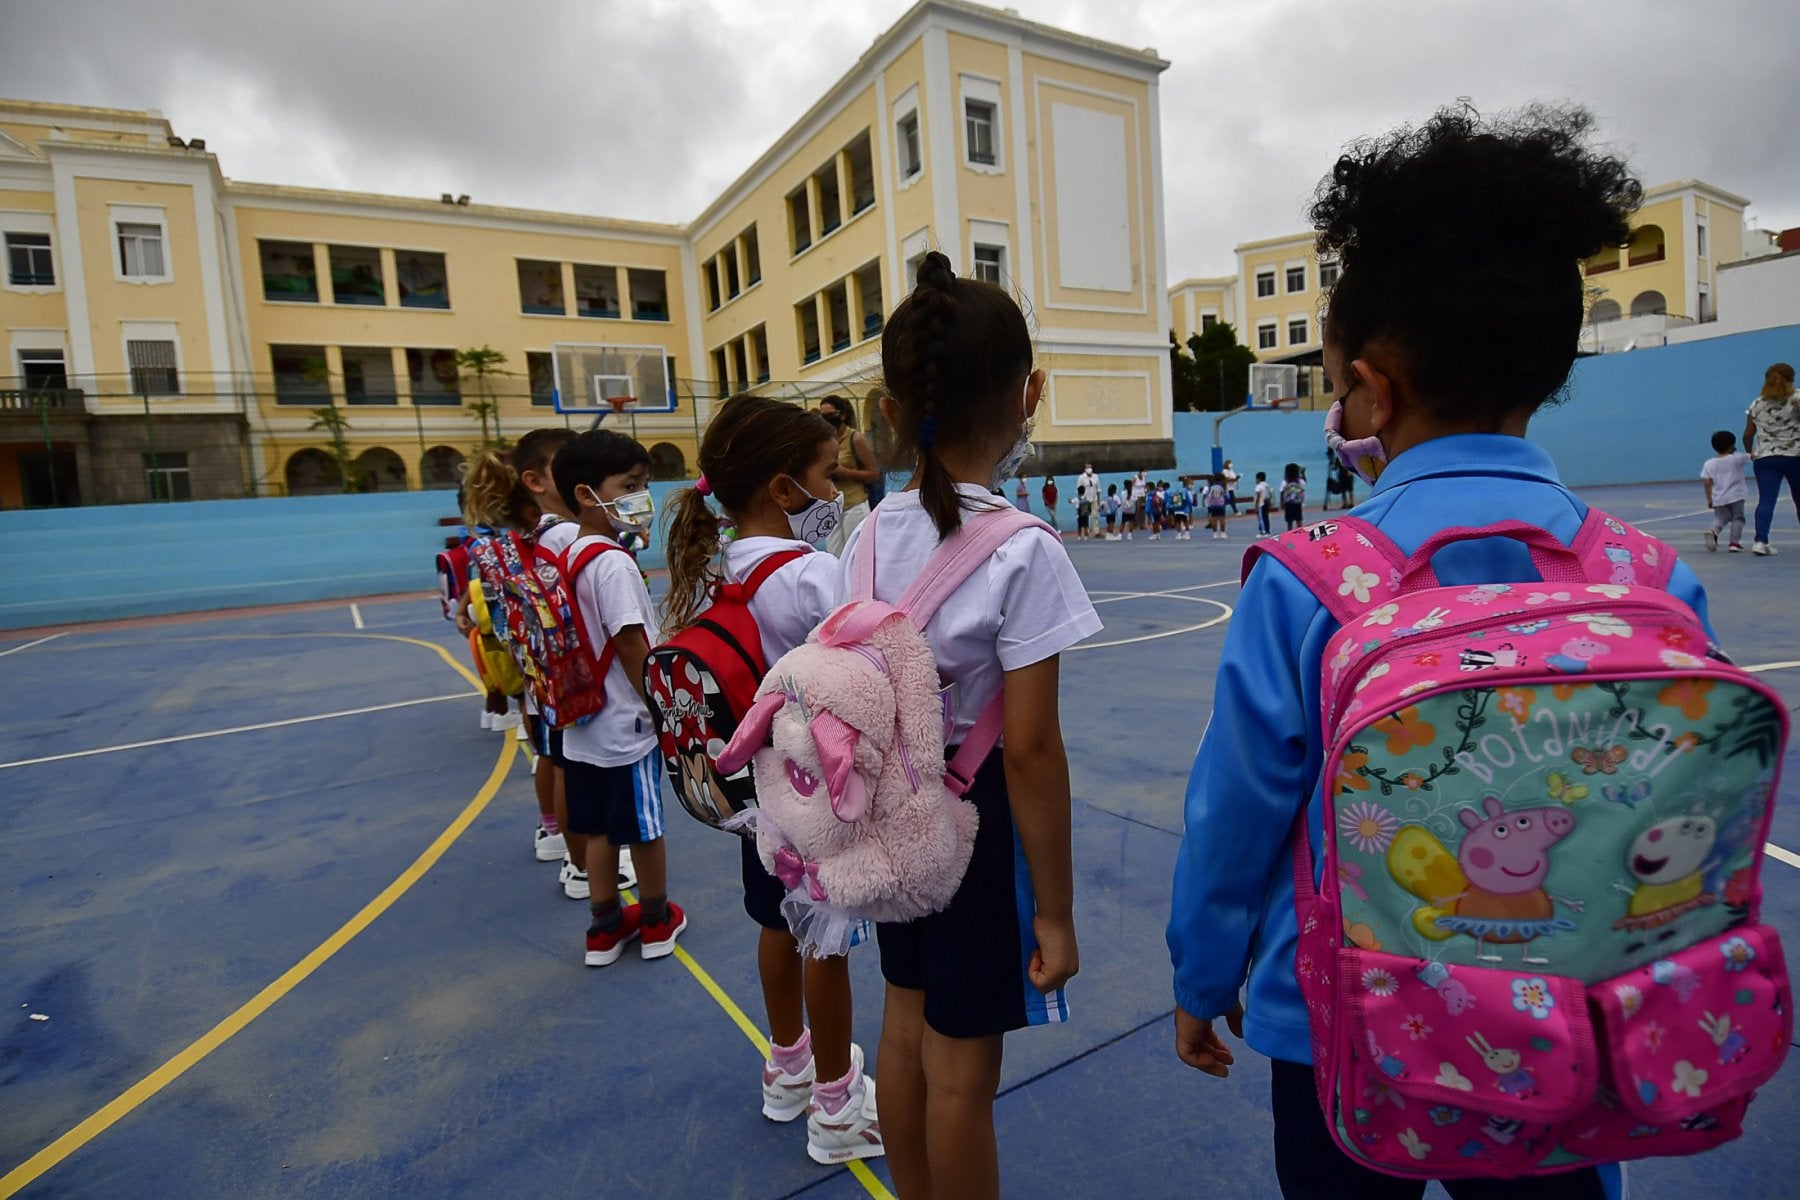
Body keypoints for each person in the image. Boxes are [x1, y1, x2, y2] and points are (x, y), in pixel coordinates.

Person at [1167, 102, 1708, 1200]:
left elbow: (1237, 811)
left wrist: (1204, 972)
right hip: (1574, 1015)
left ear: (1374, 389)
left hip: (1345, 1020)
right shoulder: (1650, 580)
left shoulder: (1310, 581)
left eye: (1335, 387)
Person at [851, 250, 1098, 1199]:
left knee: (903, 1028)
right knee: (962, 1073)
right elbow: (1030, 751)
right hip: (975, 825)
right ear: (1030, 395)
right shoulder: (1023, 551)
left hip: (892, 815)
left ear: (890, 411)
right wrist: (1056, 912)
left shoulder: (865, 537)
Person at [660, 395, 883, 1165]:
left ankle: (786, 1066)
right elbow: (862, 674)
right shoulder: (813, 573)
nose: (836, 490)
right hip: (814, 793)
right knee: (826, 940)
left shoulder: (718, 566)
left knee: (774, 924)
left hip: (754, 795)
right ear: (783, 489)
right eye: (827, 475)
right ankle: (837, 1104)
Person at [551, 430, 687, 967]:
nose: (641, 498)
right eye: (629, 486)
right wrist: (660, 709)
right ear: (587, 495)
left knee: (600, 829)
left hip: (583, 723)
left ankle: (604, 926)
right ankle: (655, 920)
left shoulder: (571, 554)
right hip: (626, 725)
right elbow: (631, 643)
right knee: (645, 829)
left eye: (643, 485)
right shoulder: (612, 563)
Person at [1744, 361, 1800, 555]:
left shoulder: (1757, 404)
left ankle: (1760, 541)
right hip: (1795, 456)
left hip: (1765, 457)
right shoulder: (1797, 398)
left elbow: (1748, 434)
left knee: (1766, 499)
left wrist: (1750, 452)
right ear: (1792, 378)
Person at [818, 395, 880, 555]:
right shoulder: (823, 441)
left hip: (854, 504)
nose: (826, 419)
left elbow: (874, 473)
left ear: (842, 415)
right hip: (831, 507)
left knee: (856, 554)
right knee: (834, 555)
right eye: (822, 416)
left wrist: (844, 472)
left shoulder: (855, 438)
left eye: (830, 415)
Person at [1701, 428, 1752, 553]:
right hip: (1736, 496)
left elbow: (1707, 482)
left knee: (1721, 518)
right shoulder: (1736, 458)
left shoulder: (1709, 464)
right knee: (1738, 518)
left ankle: (1713, 531)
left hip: (1718, 497)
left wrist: (1709, 499)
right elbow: (1752, 456)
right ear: (1732, 445)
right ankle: (1734, 543)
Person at [1280, 462, 1306, 531]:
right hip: (1297, 503)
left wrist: (1282, 504)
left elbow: (1282, 493)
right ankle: (1300, 532)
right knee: (1299, 520)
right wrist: (1303, 473)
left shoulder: (1285, 482)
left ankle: (1290, 533)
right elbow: (1304, 483)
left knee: (1289, 521)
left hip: (1288, 503)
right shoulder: (1299, 481)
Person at [1203, 474, 1228, 539]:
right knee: (1222, 519)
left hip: (1212, 504)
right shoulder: (1222, 486)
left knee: (1213, 519)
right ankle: (1223, 533)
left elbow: (1208, 495)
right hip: (1220, 504)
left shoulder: (1211, 486)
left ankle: (1215, 533)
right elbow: (1226, 495)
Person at [1253, 470, 1274, 537]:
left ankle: (1263, 532)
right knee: (1266, 518)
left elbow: (1258, 497)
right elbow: (1270, 494)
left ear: (1258, 478)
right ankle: (1267, 531)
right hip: (1266, 503)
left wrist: (1256, 506)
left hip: (1261, 504)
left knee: (1261, 518)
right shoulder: (1267, 485)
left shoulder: (1259, 486)